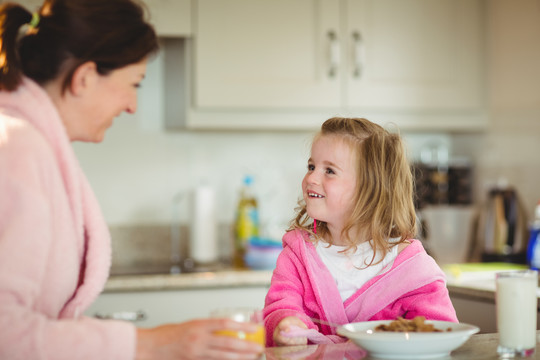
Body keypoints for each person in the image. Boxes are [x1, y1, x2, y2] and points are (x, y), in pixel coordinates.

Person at [0, 1, 263, 359]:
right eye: (133, 83)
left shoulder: (30, 143)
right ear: (85, 77)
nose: (132, 106)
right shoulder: (17, 148)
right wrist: (154, 344)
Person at [263, 117, 458, 347]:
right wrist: (286, 324)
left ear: (371, 187)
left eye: (330, 171)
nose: (311, 178)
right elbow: (281, 305)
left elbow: (439, 331)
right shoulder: (298, 254)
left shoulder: (411, 267)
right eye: (311, 167)